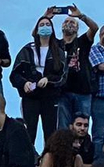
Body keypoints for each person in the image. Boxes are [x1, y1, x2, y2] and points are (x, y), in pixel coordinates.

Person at [11, 10, 67, 145]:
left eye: (48, 24)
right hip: (30, 97)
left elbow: (63, 75)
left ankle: (49, 161)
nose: (45, 27)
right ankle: (28, 160)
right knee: (29, 131)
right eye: (41, 25)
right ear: (36, 29)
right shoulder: (27, 50)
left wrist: (48, 79)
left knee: (51, 132)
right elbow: (14, 75)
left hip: (50, 97)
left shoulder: (58, 52)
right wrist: (24, 83)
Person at [57, 9, 95, 130]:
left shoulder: (82, 42)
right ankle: (63, 149)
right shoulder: (55, 45)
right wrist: (46, 17)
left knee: (82, 127)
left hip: (83, 92)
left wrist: (81, 16)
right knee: (63, 127)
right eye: (66, 21)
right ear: (62, 26)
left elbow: (94, 28)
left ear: (77, 29)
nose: (69, 23)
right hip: (63, 92)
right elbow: (36, 35)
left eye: (73, 22)